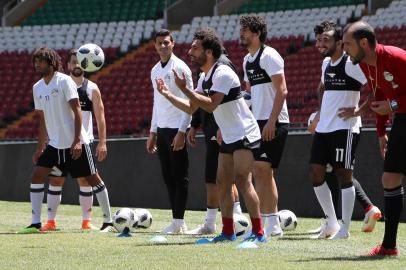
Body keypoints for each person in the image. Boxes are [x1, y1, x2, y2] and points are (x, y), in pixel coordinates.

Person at [156, 27, 265, 243]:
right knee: (222, 182)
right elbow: (191, 108)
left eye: (195, 48)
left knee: (243, 181)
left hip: (244, 133)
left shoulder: (223, 72)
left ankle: (259, 233)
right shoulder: (206, 76)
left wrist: (184, 89)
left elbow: (211, 105)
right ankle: (227, 232)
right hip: (227, 135)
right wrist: (168, 94)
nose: (190, 52)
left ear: (208, 52)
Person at [18, 47, 114, 234]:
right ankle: (36, 223)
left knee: (93, 179)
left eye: (41, 60)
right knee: (38, 174)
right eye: (35, 60)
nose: (37, 64)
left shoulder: (64, 81)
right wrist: (40, 147)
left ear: (52, 62)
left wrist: (77, 140)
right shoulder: (37, 87)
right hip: (54, 145)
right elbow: (43, 119)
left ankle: (108, 222)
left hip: (76, 143)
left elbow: (78, 111)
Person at [308, 21, 377, 240]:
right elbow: (322, 89)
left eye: (326, 39)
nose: (321, 43)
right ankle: (331, 223)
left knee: (343, 176)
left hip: (345, 128)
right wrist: (320, 114)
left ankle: (345, 228)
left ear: (340, 43)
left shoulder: (351, 64)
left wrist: (359, 111)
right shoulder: (326, 63)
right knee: (315, 173)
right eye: (319, 39)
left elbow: (375, 87)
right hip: (325, 128)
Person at [343, 20, 405, 256]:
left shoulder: (396, 57)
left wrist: (393, 105)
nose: (345, 49)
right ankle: (389, 247)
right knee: (389, 178)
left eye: (348, 44)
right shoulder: (367, 65)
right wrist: (381, 132)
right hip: (402, 119)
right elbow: (379, 96)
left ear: (364, 42)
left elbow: (389, 102)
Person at [239, 15, 288, 237]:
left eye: (246, 30)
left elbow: (282, 90)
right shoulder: (246, 60)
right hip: (256, 122)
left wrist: (270, 121)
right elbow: (249, 93)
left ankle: (264, 224)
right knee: (263, 173)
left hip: (273, 121)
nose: (242, 34)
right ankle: (272, 224)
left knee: (261, 170)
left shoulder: (269, 56)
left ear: (257, 33)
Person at [185, 55, 243, 235]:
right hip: (210, 126)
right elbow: (197, 100)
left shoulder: (223, 67)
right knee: (219, 177)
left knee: (221, 177)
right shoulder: (204, 73)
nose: (191, 52)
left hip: (221, 127)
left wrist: (220, 127)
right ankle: (235, 220)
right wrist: (194, 125)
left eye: (196, 47)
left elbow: (226, 100)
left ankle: (231, 220)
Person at [147, 29, 192, 234]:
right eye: (159, 43)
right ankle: (177, 222)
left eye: (166, 42)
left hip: (176, 128)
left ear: (173, 43)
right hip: (162, 129)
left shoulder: (181, 68)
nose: (163, 46)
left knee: (179, 175)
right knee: (168, 177)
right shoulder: (155, 70)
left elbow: (190, 102)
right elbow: (157, 102)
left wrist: (182, 130)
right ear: (155, 46)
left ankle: (178, 221)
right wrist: (153, 132)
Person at [308, 111, 381, 234]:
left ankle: (337, 223)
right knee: (336, 171)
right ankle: (365, 208)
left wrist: (318, 117)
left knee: (341, 173)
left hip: (341, 126)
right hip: (341, 125)